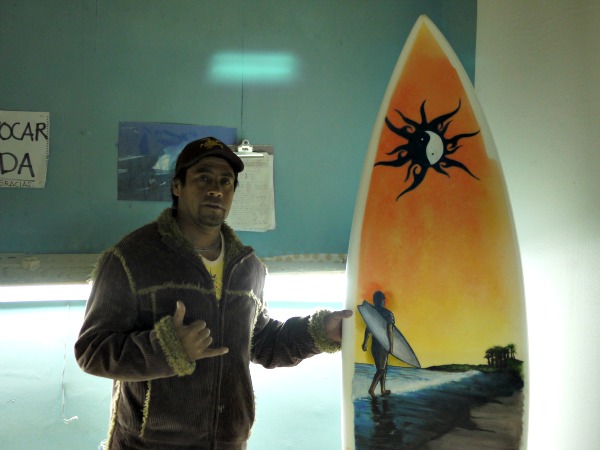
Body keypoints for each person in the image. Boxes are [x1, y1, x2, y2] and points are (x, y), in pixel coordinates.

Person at [75, 136, 353, 450]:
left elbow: (261, 343)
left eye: (226, 181)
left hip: (228, 442)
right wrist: (166, 349)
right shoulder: (131, 258)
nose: (216, 189)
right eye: (203, 178)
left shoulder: (247, 267)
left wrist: (320, 332)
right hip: (149, 444)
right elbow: (92, 351)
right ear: (177, 186)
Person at [361, 290, 394, 398]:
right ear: (383, 300)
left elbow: (368, 329)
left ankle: (383, 390)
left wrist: (365, 342)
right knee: (382, 369)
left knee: (383, 368)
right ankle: (371, 389)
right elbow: (389, 331)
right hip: (383, 345)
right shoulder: (388, 314)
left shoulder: (372, 313)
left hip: (374, 344)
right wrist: (391, 346)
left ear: (375, 301)